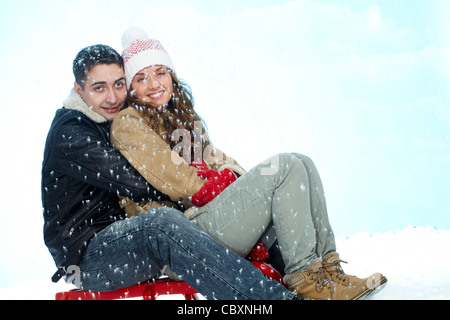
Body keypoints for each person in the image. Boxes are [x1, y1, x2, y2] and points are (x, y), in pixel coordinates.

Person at [110, 27, 388, 300]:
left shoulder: (180, 117)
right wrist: (214, 185)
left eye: (160, 73)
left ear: (171, 75)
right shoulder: (129, 122)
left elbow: (221, 161)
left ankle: (327, 269)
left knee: (303, 162)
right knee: (286, 166)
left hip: (205, 219)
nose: (155, 84)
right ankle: (304, 278)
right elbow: (172, 176)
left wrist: (228, 174)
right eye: (142, 78)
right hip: (182, 238)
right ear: (131, 88)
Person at [41, 44, 297, 300]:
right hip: (86, 258)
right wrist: (196, 180)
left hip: (127, 241)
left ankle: (303, 284)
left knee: (258, 209)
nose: (112, 97)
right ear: (79, 89)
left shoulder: (109, 119)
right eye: (99, 88)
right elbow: (138, 182)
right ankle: (270, 300)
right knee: (161, 223)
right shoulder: (71, 132)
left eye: (119, 84)